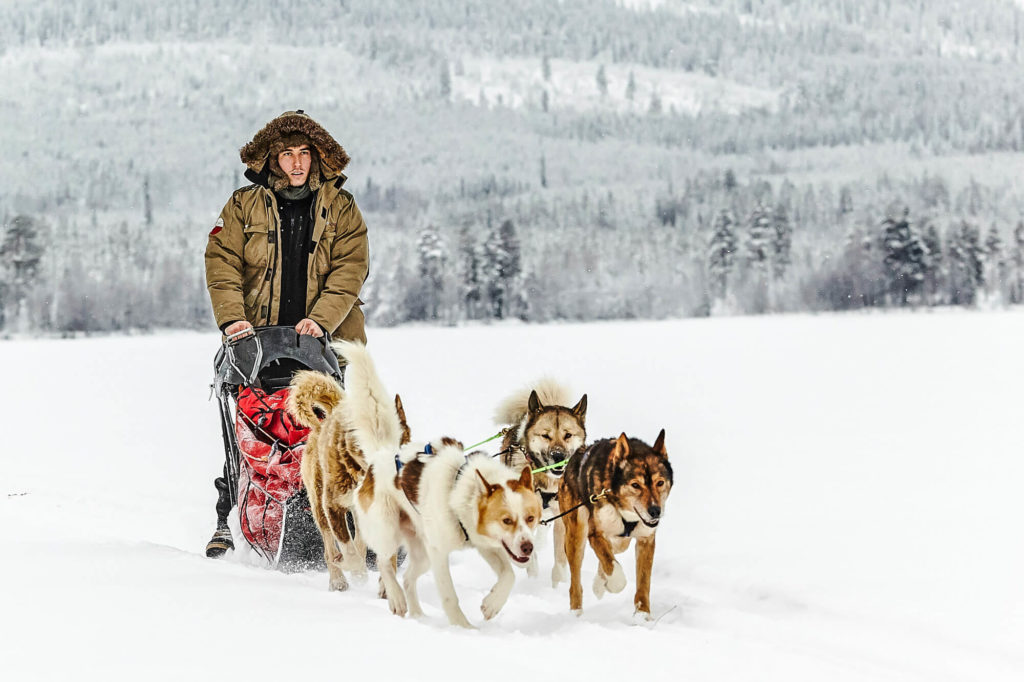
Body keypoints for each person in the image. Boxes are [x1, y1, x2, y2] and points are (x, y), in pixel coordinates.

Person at [203, 110, 369, 557]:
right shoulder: (243, 205)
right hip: (256, 342)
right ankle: (232, 516)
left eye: (304, 154)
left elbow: (351, 268)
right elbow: (222, 262)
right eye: (287, 154)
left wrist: (323, 319)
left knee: (330, 434)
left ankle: (339, 518)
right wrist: (233, 319)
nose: (296, 163)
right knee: (252, 431)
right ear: (273, 159)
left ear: (316, 158)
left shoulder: (342, 208)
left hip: (326, 342)